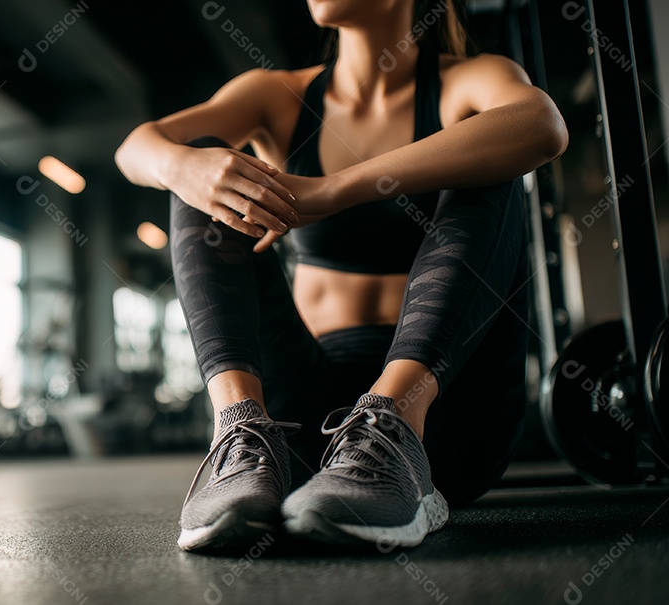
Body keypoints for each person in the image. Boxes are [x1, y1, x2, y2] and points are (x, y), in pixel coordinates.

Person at [114, 0, 568, 552]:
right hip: (304, 429)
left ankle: (394, 419)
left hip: (449, 419)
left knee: (494, 152)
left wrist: (335, 188)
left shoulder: (468, 79)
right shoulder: (275, 95)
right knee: (208, 168)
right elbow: (137, 146)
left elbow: (542, 123)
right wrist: (181, 166)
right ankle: (238, 430)